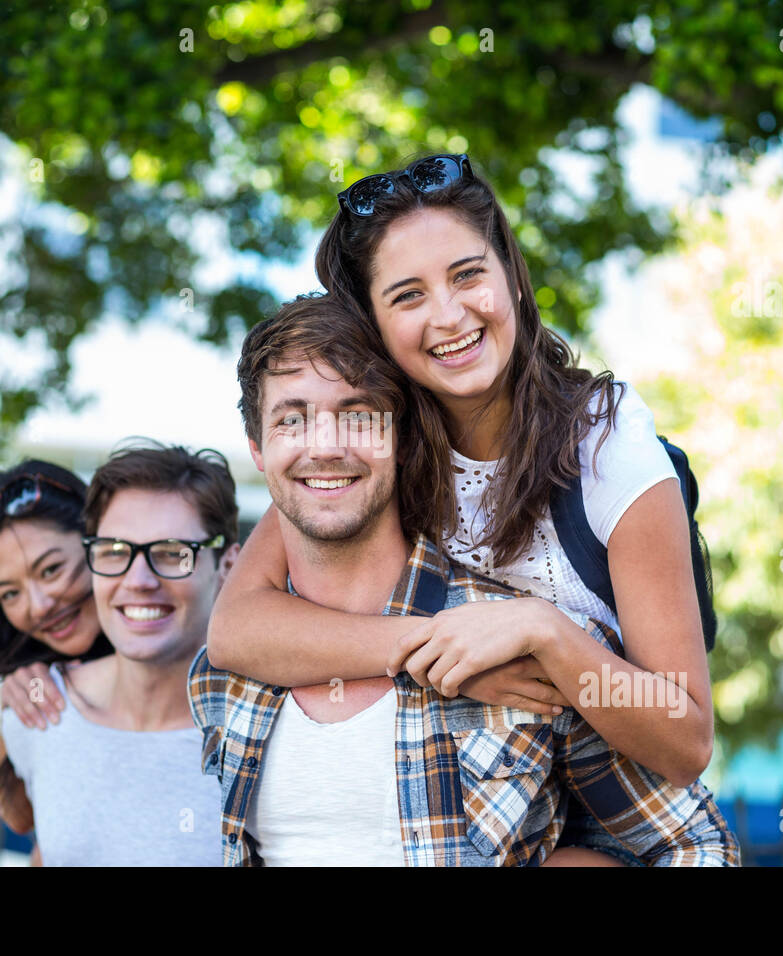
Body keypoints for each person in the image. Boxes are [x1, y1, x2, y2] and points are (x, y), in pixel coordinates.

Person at [206, 153, 727, 863]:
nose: (449, 315)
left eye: (467, 274)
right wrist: (438, 652)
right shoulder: (375, 440)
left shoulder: (607, 447)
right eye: (407, 295)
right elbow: (238, 627)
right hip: (477, 788)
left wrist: (540, 631)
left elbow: (687, 740)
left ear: (512, 275)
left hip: (617, 795)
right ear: (375, 327)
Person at [0, 439, 237, 865]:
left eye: (171, 553)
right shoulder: (40, 712)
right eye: (115, 552)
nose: (139, 580)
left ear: (227, 567)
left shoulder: (268, 728)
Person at [0, 460, 114, 859]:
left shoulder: (182, 643)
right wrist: (14, 699)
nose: (38, 606)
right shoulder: (39, 678)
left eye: (51, 570)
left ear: (98, 540)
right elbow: (19, 815)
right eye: (10, 594)